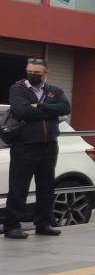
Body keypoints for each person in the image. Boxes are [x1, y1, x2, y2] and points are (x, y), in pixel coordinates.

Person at [4, 58, 69, 239]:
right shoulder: (18, 89)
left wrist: (39, 106)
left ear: (45, 73)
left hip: (49, 145)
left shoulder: (54, 91)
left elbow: (65, 107)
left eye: (37, 73)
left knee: (46, 186)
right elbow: (21, 111)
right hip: (24, 146)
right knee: (19, 187)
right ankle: (11, 226)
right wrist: (50, 111)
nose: (32, 75)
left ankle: (43, 223)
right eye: (30, 71)